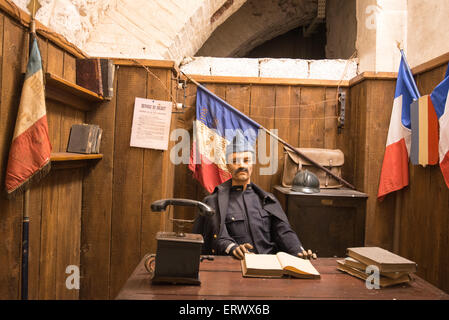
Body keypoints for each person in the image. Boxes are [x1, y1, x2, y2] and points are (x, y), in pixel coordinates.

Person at [193, 131, 317, 260]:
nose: (242, 165)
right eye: (235, 161)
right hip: (235, 267)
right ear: (227, 166)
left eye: (246, 160)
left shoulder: (268, 200)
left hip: (270, 265)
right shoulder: (214, 201)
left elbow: (284, 232)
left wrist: (298, 251)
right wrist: (233, 248)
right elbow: (219, 235)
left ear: (252, 164)